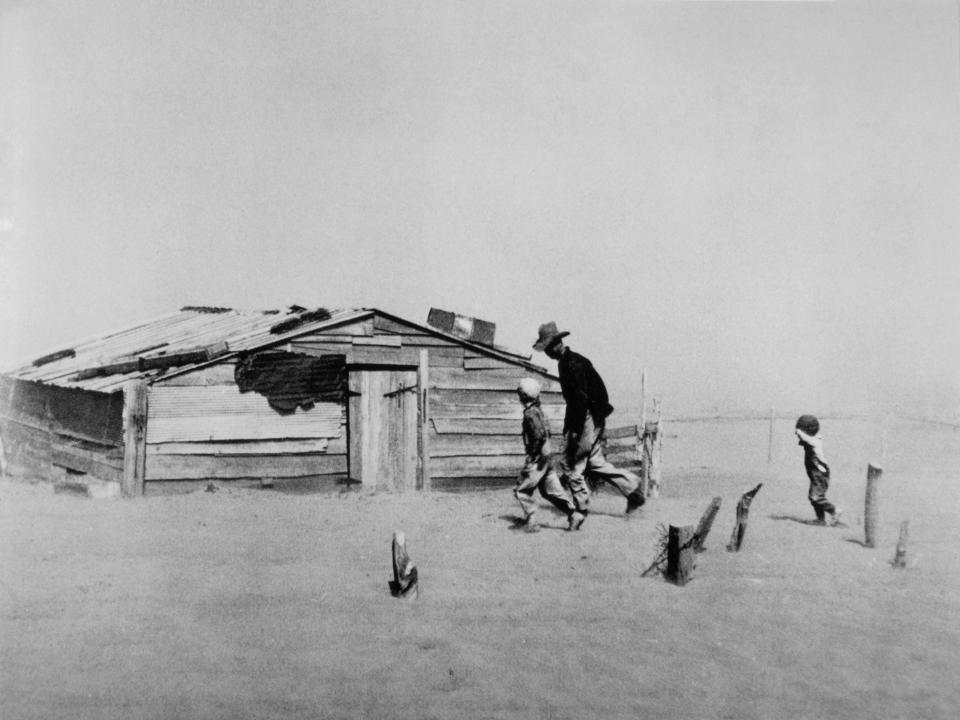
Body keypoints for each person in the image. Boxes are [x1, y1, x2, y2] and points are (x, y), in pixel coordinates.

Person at [532, 322, 646, 526]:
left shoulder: (571, 364)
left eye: (548, 348)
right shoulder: (570, 361)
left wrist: (575, 431)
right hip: (593, 417)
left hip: (586, 417)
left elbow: (579, 400)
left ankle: (580, 510)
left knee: (571, 465)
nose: (547, 353)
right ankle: (632, 490)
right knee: (595, 463)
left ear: (557, 344)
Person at [512, 378, 585, 533]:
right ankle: (574, 514)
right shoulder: (539, 410)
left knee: (522, 489)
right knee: (550, 490)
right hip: (547, 456)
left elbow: (538, 435)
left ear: (522, 396)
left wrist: (533, 454)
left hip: (538, 457)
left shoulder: (530, 413)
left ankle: (531, 521)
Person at [795, 414, 841, 526]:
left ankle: (834, 510)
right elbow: (803, 440)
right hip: (815, 474)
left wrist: (799, 431)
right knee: (814, 497)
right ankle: (820, 519)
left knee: (815, 497)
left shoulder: (815, 441)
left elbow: (806, 438)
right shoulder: (811, 439)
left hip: (820, 474)